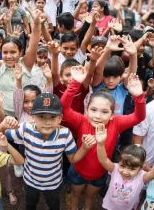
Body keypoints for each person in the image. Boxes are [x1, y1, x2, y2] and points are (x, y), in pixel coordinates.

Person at [61, 65, 146, 210]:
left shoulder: (116, 123)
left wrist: (138, 96)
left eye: (105, 112)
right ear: (86, 110)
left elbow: (139, 116)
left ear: (112, 114)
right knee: (75, 195)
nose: (98, 116)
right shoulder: (82, 120)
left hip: (100, 173)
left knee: (90, 197)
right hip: (78, 170)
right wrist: (75, 83)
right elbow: (64, 107)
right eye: (93, 110)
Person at [0, 95, 96, 210]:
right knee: (30, 204)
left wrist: (84, 147)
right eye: (42, 116)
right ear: (33, 117)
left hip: (53, 183)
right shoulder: (25, 129)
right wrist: (2, 126)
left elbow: (72, 159)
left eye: (53, 116)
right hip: (30, 181)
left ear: (60, 118)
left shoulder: (65, 134)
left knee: (53, 205)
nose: (47, 122)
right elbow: (0, 135)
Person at [0, 10, 41, 117]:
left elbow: (33, 45)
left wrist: (36, 24)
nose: (8, 56)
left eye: (13, 52)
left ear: (20, 52)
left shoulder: (26, 63)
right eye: (5, 52)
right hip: (3, 117)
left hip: (26, 115)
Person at [96, 122, 154, 210]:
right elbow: (103, 160)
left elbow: (152, 174)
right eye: (122, 166)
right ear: (119, 162)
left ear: (141, 168)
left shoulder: (141, 177)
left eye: (132, 169)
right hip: (109, 207)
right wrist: (100, 144)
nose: (125, 171)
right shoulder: (115, 169)